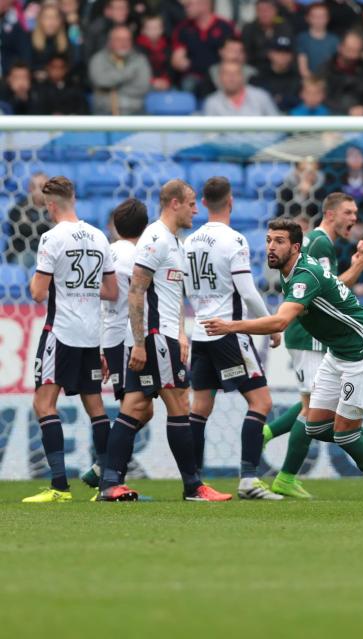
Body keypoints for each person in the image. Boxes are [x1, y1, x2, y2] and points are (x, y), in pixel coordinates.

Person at [201, 218, 363, 516]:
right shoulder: (293, 271)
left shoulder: (303, 275)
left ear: (296, 247)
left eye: (279, 241)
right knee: (315, 425)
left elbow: (280, 321)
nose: (271, 247)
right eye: (268, 240)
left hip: (362, 352)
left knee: (345, 433)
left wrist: (231, 325)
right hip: (337, 353)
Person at [97, 180, 232, 503]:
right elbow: (136, 292)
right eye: (190, 204)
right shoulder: (155, 239)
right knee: (178, 404)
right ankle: (193, 486)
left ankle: (110, 482)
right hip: (156, 337)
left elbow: (172, 295)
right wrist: (141, 343)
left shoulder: (175, 241)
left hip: (166, 334)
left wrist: (182, 333)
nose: (196, 209)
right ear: (174, 203)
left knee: (135, 406)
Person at [261, 193, 363, 499]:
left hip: (305, 334)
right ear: (330, 214)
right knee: (313, 409)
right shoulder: (321, 243)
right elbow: (333, 290)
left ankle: (268, 438)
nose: (354, 218)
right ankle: (285, 473)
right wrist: (362, 264)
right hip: (308, 336)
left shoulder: (313, 241)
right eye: (348, 212)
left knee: (312, 406)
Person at [21, 177, 118, 503]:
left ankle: (60, 487)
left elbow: (37, 293)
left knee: (44, 404)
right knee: (96, 408)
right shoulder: (99, 236)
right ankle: (108, 483)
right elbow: (111, 291)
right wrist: (84, 289)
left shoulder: (51, 238)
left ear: (50, 205)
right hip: (91, 336)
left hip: (60, 332)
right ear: (73, 198)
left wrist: (59, 284)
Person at [183, 178, 281, 500]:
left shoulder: (189, 241)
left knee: (200, 408)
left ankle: (194, 484)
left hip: (200, 332)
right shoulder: (234, 240)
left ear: (203, 201)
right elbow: (248, 291)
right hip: (228, 331)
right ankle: (249, 480)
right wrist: (271, 323)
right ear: (231, 201)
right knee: (261, 402)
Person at [93, 199, 149, 491]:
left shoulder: (107, 252)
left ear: (115, 225)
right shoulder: (140, 255)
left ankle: (105, 470)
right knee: (135, 406)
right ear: (146, 225)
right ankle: (109, 477)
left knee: (143, 408)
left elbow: (102, 301)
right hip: (132, 338)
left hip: (113, 337)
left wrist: (102, 347)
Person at [171, 0, 236, 95]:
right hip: (194, 78)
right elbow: (177, 59)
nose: (185, 7)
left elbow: (236, 54)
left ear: (204, 3)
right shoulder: (182, 29)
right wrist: (178, 61)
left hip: (219, 76)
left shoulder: (225, 26)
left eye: (189, 4)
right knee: (188, 83)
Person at [88, 25, 152, 116]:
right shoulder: (98, 59)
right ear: (110, 41)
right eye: (119, 39)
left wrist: (111, 89)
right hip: (104, 113)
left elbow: (143, 87)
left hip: (135, 113)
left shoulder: (140, 60)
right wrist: (128, 74)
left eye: (127, 39)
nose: (124, 43)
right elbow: (100, 81)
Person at [3, 172, 50, 267]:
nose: (46, 190)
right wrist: (49, 223)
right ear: (31, 189)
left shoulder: (53, 208)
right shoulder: (18, 209)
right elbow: (25, 230)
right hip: (24, 253)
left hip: (48, 253)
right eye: (41, 187)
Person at [202, 61, 278, 116]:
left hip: (262, 138)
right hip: (224, 139)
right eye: (227, 73)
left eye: (236, 73)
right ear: (219, 77)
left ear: (243, 76)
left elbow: (277, 127)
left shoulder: (261, 96)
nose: (231, 78)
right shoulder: (212, 102)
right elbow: (210, 135)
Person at [322, 31, 363, 115]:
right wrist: (346, 110)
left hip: (361, 118)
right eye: (350, 50)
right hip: (332, 117)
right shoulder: (325, 69)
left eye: (357, 51)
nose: (353, 55)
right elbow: (321, 97)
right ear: (340, 47)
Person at [252, 34, 301, 113]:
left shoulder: (297, 78)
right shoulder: (259, 76)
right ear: (270, 54)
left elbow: (301, 103)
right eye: (278, 52)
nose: (282, 56)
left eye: (286, 52)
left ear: (291, 56)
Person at [242, 0, 293, 71]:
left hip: (284, 68)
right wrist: (269, 54)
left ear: (275, 11)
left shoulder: (284, 27)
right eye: (260, 10)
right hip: (257, 69)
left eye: (268, 10)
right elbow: (246, 53)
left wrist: (287, 57)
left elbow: (290, 46)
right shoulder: (249, 29)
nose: (264, 13)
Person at [29, 3, 74, 77]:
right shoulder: (29, 39)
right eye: (47, 17)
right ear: (40, 20)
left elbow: (73, 64)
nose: (51, 22)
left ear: (60, 21)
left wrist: (74, 24)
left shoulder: (67, 38)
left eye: (55, 17)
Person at [296, 2, 339, 78]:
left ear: (328, 18)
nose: (319, 20)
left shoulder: (334, 40)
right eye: (315, 16)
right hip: (308, 82)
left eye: (322, 16)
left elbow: (336, 67)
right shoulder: (302, 38)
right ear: (307, 18)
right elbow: (303, 69)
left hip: (329, 81)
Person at [136, 14, 173, 91]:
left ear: (162, 29)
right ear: (143, 30)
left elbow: (169, 68)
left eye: (156, 28)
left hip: (165, 83)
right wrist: (152, 81)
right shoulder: (137, 49)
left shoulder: (168, 47)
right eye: (150, 28)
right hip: (145, 84)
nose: (153, 31)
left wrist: (166, 81)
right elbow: (137, 71)